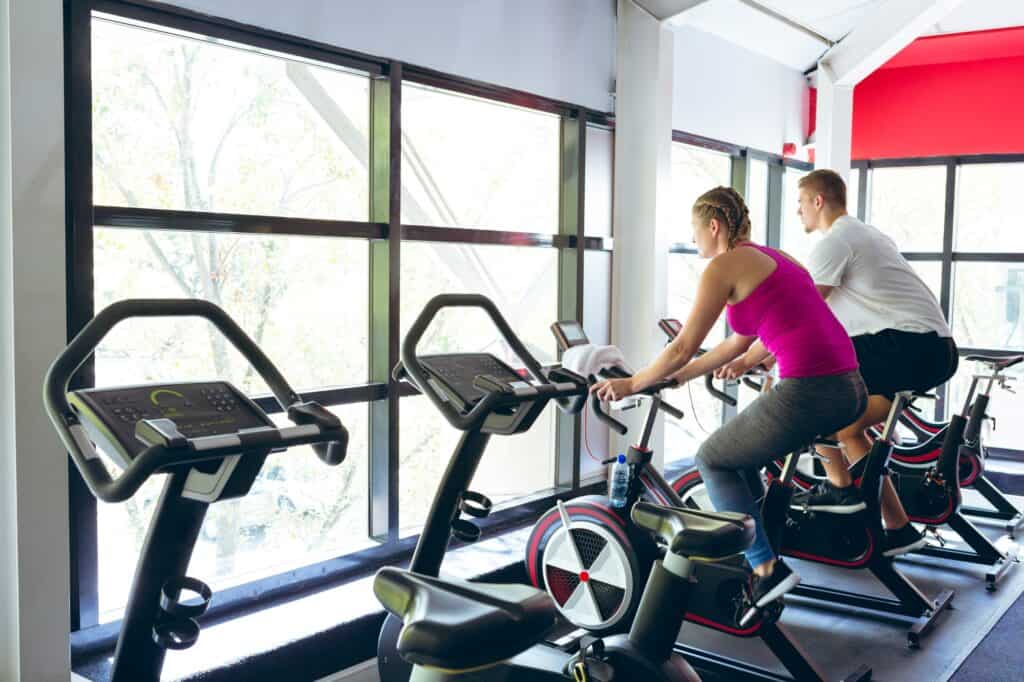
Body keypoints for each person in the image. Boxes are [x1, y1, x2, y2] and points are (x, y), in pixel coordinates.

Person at [592, 186, 867, 611]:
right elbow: (736, 344)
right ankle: (766, 544)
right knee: (742, 457)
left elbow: (683, 344)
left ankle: (765, 570)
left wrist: (634, 383)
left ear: (713, 226)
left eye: (695, 228)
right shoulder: (772, 258)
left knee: (713, 459)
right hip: (849, 385)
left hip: (811, 387)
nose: (694, 237)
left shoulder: (722, 267)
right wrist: (680, 376)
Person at [722, 169, 958, 556]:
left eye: (800, 203)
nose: (798, 212)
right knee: (846, 426)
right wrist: (774, 354)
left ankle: (841, 491)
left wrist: (748, 357)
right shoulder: (866, 234)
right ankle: (899, 528)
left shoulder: (836, 242)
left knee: (816, 396)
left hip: (909, 346)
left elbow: (799, 314)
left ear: (818, 201)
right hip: (929, 349)